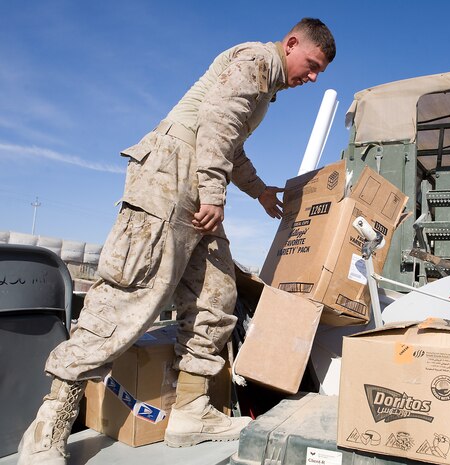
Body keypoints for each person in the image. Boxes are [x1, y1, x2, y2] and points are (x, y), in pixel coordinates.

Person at [17, 18, 335, 464]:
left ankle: (190, 413)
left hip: (196, 179)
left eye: (320, 71)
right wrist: (214, 192)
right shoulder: (255, 62)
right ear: (292, 43)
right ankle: (48, 429)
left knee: (216, 295)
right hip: (170, 178)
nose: (313, 77)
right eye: (313, 64)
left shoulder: (264, 85)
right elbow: (216, 126)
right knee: (129, 296)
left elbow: (231, 145)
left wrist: (259, 189)